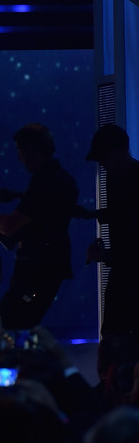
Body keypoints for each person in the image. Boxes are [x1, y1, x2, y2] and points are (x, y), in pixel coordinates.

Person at [0, 123, 78, 329]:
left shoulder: (45, 181)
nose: (19, 157)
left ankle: (18, 359)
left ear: (33, 150)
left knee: (11, 320)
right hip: (47, 270)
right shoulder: (62, 179)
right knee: (15, 319)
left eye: (21, 150)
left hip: (37, 272)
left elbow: (9, 227)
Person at [78, 123, 139, 343]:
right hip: (123, 276)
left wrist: (106, 256)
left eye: (103, 157)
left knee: (118, 341)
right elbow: (119, 215)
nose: (102, 164)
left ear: (118, 150)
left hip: (130, 280)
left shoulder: (126, 180)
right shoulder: (116, 179)